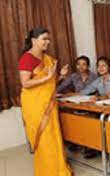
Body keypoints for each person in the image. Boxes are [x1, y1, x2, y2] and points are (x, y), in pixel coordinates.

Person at [18, 27, 72, 176]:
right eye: (44, 39)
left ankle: (58, 169)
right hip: (35, 105)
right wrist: (47, 78)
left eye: (48, 39)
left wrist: (60, 76)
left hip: (49, 103)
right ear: (34, 40)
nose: (47, 42)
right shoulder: (26, 58)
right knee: (44, 139)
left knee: (54, 136)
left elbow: (50, 82)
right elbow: (25, 83)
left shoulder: (47, 58)